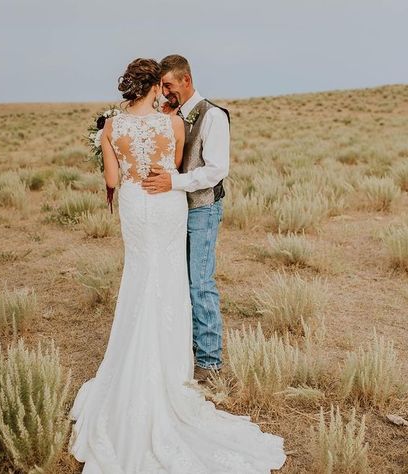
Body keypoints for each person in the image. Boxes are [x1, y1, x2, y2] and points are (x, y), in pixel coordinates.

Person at [68, 57, 287, 473]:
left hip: (138, 203)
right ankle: (175, 372)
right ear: (155, 87)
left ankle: (194, 361)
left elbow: (113, 182)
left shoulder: (112, 127)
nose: (166, 92)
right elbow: (172, 163)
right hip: (168, 205)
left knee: (144, 277)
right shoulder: (173, 124)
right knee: (169, 280)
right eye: (162, 86)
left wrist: (113, 154)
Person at [141, 54, 228, 383]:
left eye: (169, 85)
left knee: (200, 284)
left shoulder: (213, 116)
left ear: (187, 80)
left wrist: (172, 182)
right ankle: (186, 349)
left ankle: (210, 362)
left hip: (203, 208)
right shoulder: (170, 114)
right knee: (179, 281)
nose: (165, 92)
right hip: (175, 212)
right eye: (162, 86)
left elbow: (216, 170)